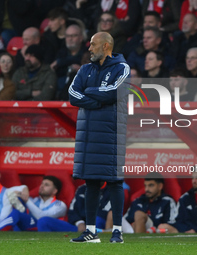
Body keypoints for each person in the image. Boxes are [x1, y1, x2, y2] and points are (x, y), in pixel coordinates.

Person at [69, 32, 129, 243]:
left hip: (112, 132)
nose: (89, 48)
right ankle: (91, 231)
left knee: (114, 182)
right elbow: (72, 95)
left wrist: (89, 91)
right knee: (91, 182)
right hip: (88, 134)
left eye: (93, 45)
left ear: (105, 46)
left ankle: (117, 232)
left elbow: (113, 93)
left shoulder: (122, 68)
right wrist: (97, 99)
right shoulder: (85, 69)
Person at [0, 176, 67, 232]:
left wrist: (26, 200)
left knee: (18, 212)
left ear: (54, 191)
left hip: (45, 229)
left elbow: (41, 217)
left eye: (46, 185)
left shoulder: (60, 205)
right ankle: (7, 230)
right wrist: (18, 195)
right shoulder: (35, 200)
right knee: (18, 202)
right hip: (30, 226)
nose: (42, 186)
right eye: (42, 184)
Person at [158, 168, 197, 233]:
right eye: (192, 178)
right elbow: (177, 220)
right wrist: (187, 230)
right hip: (186, 231)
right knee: (163, 227)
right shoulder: (185, 198)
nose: (194, 181)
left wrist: (196, 230)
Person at [37, 183, 112, 232]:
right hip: (78, 227)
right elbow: (72, 211)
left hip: (98, 227)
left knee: (97, 220)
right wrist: (80, 223)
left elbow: (105, 213)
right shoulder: (82, 189)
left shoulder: (112, 190)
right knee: (43, 221)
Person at [51, 24, 87, 100]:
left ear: (81, 38)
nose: (70, 39)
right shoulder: (60, 53)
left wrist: (60, 62)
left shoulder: (87, 53)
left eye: (73, 36)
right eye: (67, 36)